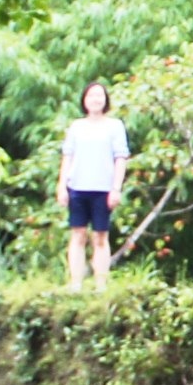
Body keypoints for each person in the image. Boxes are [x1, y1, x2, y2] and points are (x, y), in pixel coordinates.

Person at [59, 82, 130, 290]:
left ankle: (101, 284)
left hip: (103, 189)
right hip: (77, 188)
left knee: (100, 236)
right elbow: (67, 157)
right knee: (78, 234)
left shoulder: (115, 126)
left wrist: (116, 188)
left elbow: (121, 157)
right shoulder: (76, 126)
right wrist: (62, 186)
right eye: (91, 96)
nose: (96, 99)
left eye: (100, 95)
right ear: (84, 100)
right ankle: (76, 283)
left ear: (106, 99)